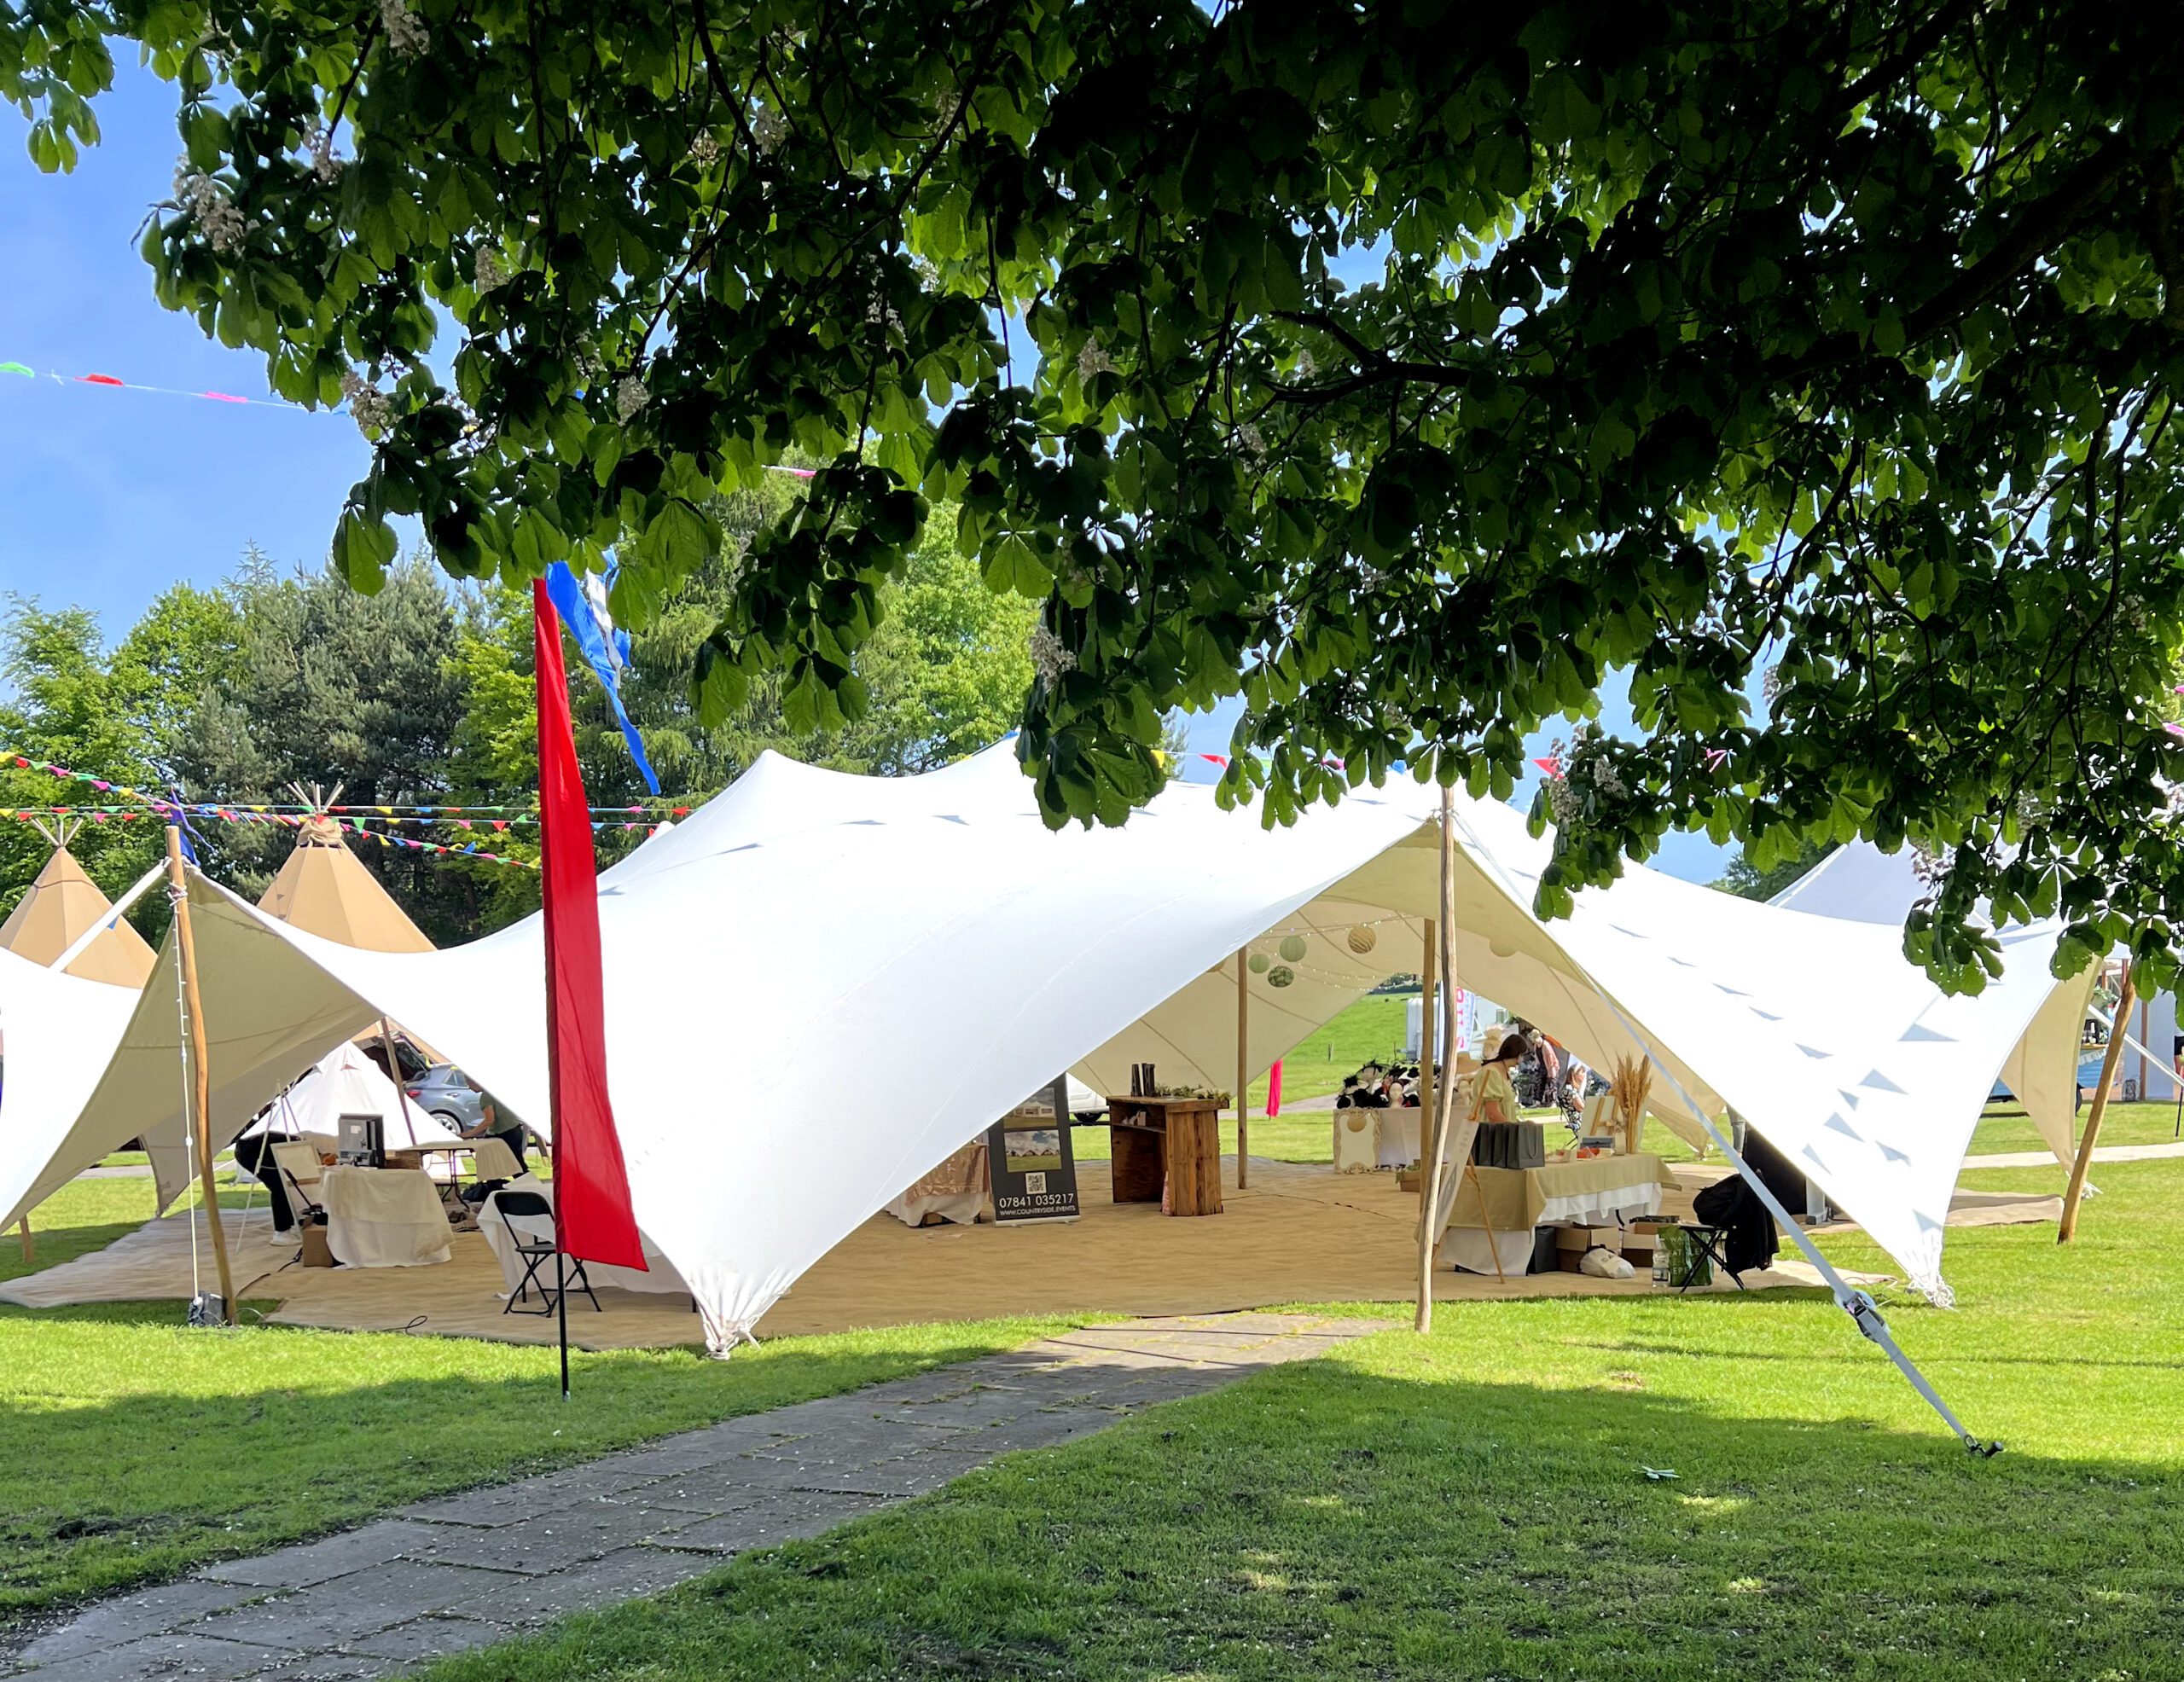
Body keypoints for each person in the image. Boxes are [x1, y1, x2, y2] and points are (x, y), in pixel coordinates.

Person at [462, 1091, 529, 1172]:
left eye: (469, 1082)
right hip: (513, 1128)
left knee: (515, 1167)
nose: (468, 1087)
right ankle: (494, 1182)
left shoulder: (486, 1096)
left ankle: (526, 1182)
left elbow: (489, 1120)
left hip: (506, 1132)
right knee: (515, 1165)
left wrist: (470, 1133)